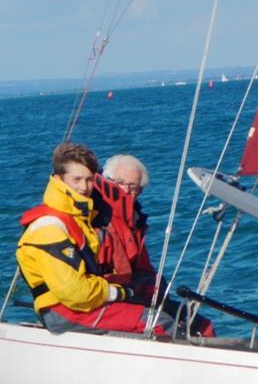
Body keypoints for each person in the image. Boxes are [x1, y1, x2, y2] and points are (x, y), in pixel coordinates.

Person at [16, 143, 173, 335]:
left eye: (89, 180)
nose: (84, 187)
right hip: (64, 311)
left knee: (170, 316)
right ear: (59, 179)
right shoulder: (49, 227)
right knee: (159, 322)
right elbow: (74, 292)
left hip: (83, 306)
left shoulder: (82, 221)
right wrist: (118, 292)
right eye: (77, 179)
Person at [94, 153, 215, 337]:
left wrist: (155, 287)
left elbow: (141, 267)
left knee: (200, 324)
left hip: (134, 293)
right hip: (109, 299)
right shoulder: (96, 216)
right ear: (106, 179)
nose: (126, 191)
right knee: (166, 327)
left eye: (133, 186)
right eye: (120, 182)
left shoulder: (134, 220)